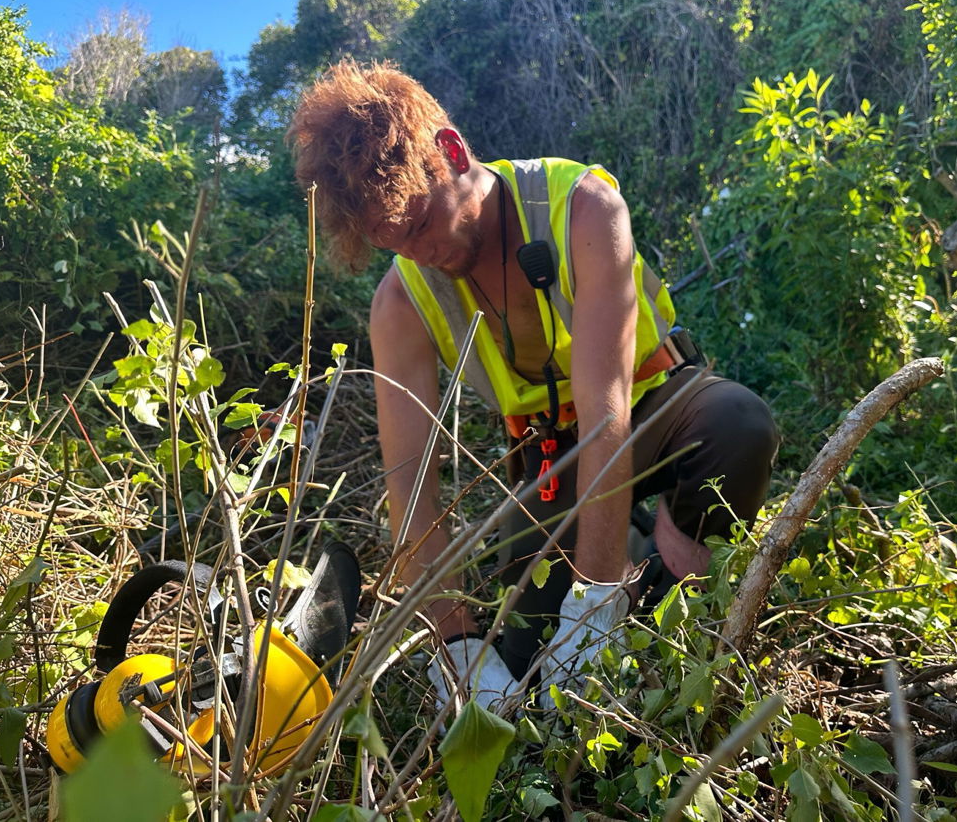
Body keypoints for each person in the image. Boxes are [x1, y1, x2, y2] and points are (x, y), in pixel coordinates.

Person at [289, 61, 778, 711]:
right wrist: (455, 642)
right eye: (394, 243)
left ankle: (672, 590)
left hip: (657, 405)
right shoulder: (400, 302)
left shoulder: (582, 208)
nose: (421, 253)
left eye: (422, 223)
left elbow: (607, 411)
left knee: (739, 426)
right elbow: (410, 484)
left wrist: (595, 598)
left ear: (453, 152)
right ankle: (617, 557)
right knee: (518, 659)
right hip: (553, 458)